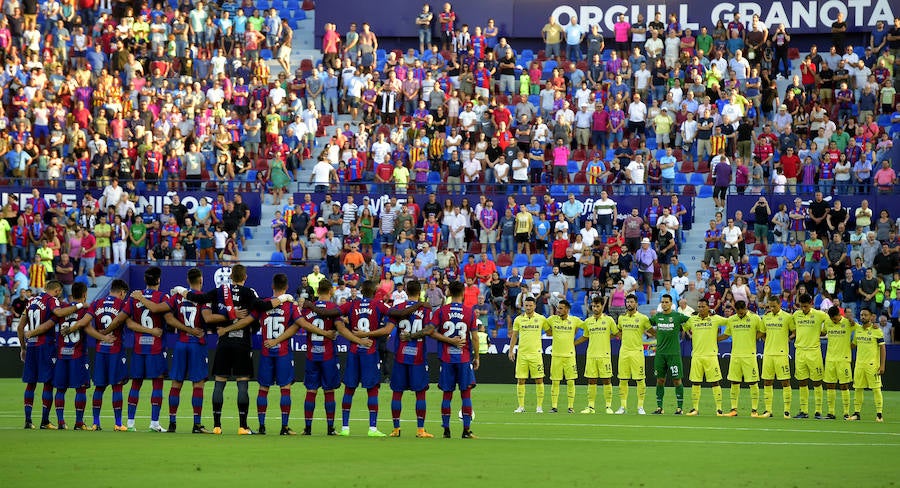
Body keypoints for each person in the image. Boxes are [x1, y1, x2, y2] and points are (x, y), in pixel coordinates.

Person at [181, 264, 288, 434]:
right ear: (245, 277)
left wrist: (182, 291)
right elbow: (261, 306)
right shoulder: (249, 292)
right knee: (242, 385)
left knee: (220, 383)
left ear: (230, 277)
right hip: (242, 344)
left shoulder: (219, 290)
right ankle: (243, 426)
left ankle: (217, 426)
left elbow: (199, 299)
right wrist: (283, 299)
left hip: (223, 342)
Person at [22, 282, 100, 430]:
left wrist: (29, 336)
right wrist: (102, 337)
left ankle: (60, 422)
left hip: (61, 354)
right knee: (80, 389)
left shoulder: (60, 307)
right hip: (77, 354)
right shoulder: (81, 308)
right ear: (84, 294)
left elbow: (49, 324)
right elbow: (88, 328)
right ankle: (78, 423)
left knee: (59, 389)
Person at [106, 267, 173, 432]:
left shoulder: (133, 298)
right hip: (156, 348)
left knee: (136, 384)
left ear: (145, 281)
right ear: (158, 280)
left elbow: (122, 321)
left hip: (138, 348)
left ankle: (130, 423)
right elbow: (167, 317)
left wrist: (102, 333)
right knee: (157, 385)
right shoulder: (163, 297)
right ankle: (154, 423)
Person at [250, 273, 304, 436]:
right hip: (283, 352)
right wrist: (278, 340)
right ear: (286, 287)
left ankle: (261, 426)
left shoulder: (264, 304)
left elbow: (249, 320)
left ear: (272, 286)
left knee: (263, 388)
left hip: (266, 351)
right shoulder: (291, 306)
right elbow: (297, 326)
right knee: (285, 388)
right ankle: (284, 427)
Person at [74, 279, 130, 431]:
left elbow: (85, 324)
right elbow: (127, 324)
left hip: (100, 351)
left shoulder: (97, 303)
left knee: (99, 388)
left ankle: (95, 423)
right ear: (122, 292)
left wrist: (101, 337)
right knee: (117, 387)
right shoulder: (122, 305)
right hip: (116, 351)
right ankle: (118, 424)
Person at [430, 280, 479, 439]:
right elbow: (475, 337)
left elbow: (430, 332)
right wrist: (477, 357)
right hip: (464, 359)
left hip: (447, 359)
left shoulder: (441, 311)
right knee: (466, 395)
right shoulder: (469, 311)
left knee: (447, 395)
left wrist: (449, 340)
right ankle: (466, 430)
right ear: (463, 293)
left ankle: (446, 430)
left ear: (449, 292)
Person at [387, 280, 435, 437]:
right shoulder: (425, 309)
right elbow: (429, 330)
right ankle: (420, 430)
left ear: (406, 292)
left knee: (397, 392)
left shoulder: (399, 308)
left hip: (400, 355)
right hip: (418, 357)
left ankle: (396, 428)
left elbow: (389, 324)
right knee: (420, 393)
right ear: (420, 291)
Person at [683, 299, 729, 416]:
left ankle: (719, 409)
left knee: (715, 382)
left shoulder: (715, 318)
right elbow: (682, 326)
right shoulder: (692, 319)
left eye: (703, 306)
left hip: (711, 355)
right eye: (699, 307)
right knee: (695, 382)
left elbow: (731, 322)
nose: (701, 309)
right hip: (697, 355)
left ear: (708, 307)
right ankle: (695, 408)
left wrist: (722, 337)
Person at [574, 296, 619, 413]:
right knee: (591, 380)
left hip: (604, 355)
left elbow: (616, 333)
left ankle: (608, 406)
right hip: (591, 355)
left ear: (602, 306)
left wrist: (606, 337)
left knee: (606, 380)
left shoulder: (609, 320)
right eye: (593, 306)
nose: (595, 308)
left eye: (597, 306)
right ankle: (591, 407)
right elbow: (585, 336)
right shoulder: (588, 321)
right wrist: (573, 344)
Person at [647, 294, 689, 414]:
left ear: (671, 303)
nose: (664, 304)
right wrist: (654, 333)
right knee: (660, 380)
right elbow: (645, 324)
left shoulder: (677, 316)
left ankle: (679, 408)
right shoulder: (657, 317)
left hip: (674, 354)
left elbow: (691, 321)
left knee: (677, 380)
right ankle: (659, 408)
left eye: (666, 302)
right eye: (662, 302)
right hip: (660, 354)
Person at [721, 300, 763, 417]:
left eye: (742, 312)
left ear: (746, 308)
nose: (740, 314)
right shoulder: (732, 319)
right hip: (735, 355)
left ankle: (754, 410)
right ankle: (733, 409)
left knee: (753, 382)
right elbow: (726, 334)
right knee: (734, 382)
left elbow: (762, 331)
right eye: (738, 312)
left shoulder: (755, 318)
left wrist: (753, 338)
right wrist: (714, 339)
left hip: (749, 355)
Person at [510, 296, 549, 413]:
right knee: (521, 380)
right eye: (526, 305)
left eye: (530, 305)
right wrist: (511, 350)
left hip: (536, 354)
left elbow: (549, 331)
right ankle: (521, 406)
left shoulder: (541, 319)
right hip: (522, 354)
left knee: (539, 379)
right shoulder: (518, 319)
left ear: (535, 306)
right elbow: (514, 335)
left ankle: (539, 407)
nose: (528, 307)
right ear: (523, 305)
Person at [759, 295, 796, 418]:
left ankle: (786, 411)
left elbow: (794, 331)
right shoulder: (766, 317)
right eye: (770, 306)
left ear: (780, 304)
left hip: (781, 354)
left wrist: (788, 338)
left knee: (785, 381)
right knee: (767, 381)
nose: (772, 308)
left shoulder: (787, 317)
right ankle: (768, 410)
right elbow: (762, 333)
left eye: (774, 306)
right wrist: (766, 340)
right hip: (768, 353)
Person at [791, 294, 827, 419]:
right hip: (800, 351)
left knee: (817, 381)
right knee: (802, 381)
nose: (803, 309)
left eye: (805, 306)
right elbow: (792, 328)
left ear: (811, 304)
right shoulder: (796, 315)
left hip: (814, 351)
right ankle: (804, 411)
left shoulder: (819, 314)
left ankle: (818, 411)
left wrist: (823, 332)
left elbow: (831, 321)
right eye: (801, 307)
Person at [545, 299, 584, 414]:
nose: (558, 310)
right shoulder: (552, 319)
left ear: (567, 309)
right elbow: (545, 327)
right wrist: (549, 332)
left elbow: (587, 329)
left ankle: (571, 407)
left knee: (570, 381)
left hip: (569, 356)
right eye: (557, 308)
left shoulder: (575, 320)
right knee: (555, 382)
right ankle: (554, 407)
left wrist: (575, 341)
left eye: (561, 308)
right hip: (556, 355)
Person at [615, 294, 651, 414]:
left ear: (636, 304)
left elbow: (652, 332)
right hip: (624, 352)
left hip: (637, 352)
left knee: (640, 379)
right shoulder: (621, 318)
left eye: (631, 302)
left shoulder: (643, 318)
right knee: (623, 379)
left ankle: (640, 406)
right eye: (627, 302)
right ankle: (623, 406)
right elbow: (619, 332)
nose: (629, 304)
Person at [849, 309, 885, 422]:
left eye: (865, 315)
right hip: (859, 365)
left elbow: (883, 348)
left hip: (872, 365)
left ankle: (879, 414)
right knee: (857, 389)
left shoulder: (877, 330)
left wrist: (882, 365)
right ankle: (856, 413)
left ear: (871, 317)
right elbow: (853, 345)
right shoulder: (858, 330)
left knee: (876, 389)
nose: (863, 316)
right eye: (861, 315)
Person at [823, 306, 856, 420]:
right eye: (832, 319)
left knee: (844, 385)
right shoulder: (828, 322)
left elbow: (861, 329)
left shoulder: (848, 322)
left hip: (844, 359)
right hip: (830, 359)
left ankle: (846, 413)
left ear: (839, 314)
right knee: (830, 385)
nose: (833, 321)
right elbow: (822, 332)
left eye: (835, 319)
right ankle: (831, 412)